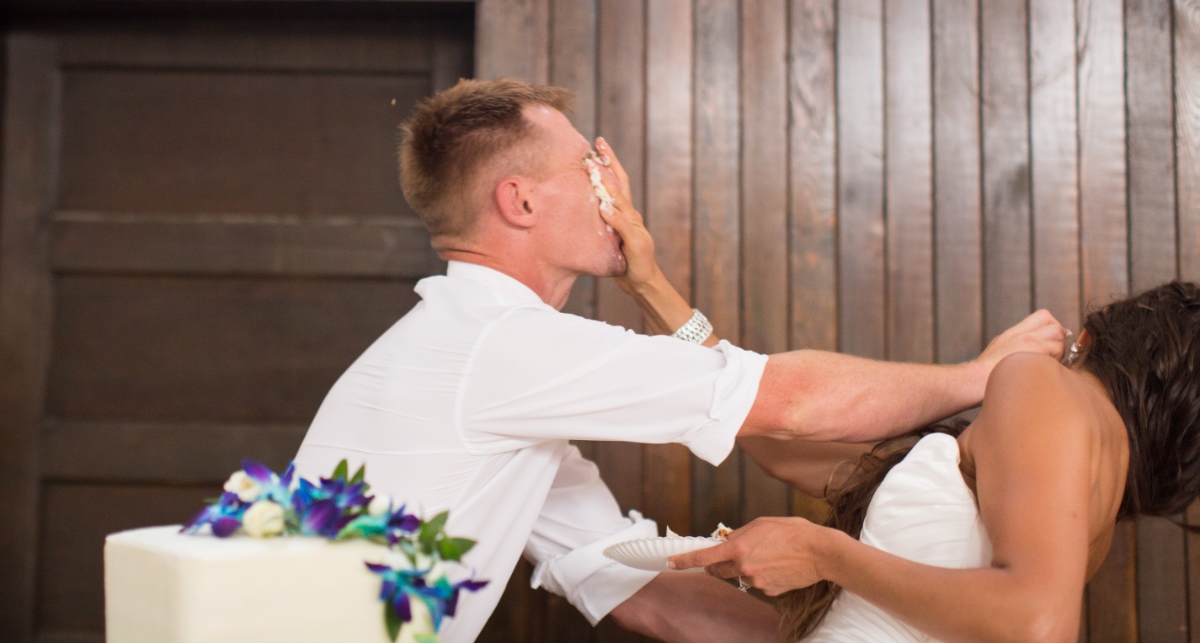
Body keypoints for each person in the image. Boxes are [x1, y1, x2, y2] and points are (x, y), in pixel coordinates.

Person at [292, 78, 1067, 643]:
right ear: (521, 202)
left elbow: (634, 585)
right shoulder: (503, 344)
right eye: (589, 171)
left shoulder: (486, 356)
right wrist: (984, 373)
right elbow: (790, 402)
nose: (614, 191)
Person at [671, 280, 1200, 643]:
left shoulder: (1043, 386)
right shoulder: (1083, 521)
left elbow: (1040, 623)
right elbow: (788, 450)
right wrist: (655, 290)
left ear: (1092, 337)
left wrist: (824, 554)